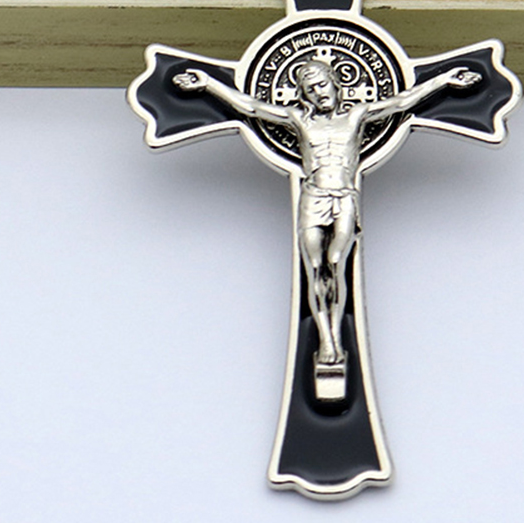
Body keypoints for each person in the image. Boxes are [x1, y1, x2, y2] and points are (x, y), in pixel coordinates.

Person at [173, 58, 480, 375]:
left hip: (344, 197)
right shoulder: (300, 119)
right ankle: (328, 341)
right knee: (315, 269)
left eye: (322, 84)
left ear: (335, 83)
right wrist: (209, 84)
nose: (319, 93)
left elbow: (402, 101)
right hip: (313, 198)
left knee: (336, 263)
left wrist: (444, 80)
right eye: (310, 89)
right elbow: (251, 107)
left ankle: (335, 333)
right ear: (303, 95)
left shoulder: (356, 116)